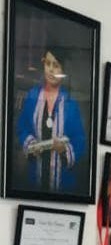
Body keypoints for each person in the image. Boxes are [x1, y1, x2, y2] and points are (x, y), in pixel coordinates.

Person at [16, 45, 86, 192]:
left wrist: (64, 149)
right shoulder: (32, 96)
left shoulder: (70, 103)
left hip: (63, 184)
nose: (51, 70)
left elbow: (80, 139)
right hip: (34, 180)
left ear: (63, 70)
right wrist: (31, 145)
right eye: (48, 64)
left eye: (56, 65)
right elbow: (22, 127)